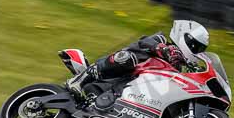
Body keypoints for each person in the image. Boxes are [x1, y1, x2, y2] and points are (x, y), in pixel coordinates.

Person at [66, 20, 210, 99]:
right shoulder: (162, 40)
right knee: (127, 58)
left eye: (199, 50)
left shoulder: (177, 69)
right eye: (195, 47)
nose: (195, 51)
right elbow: (144, 42)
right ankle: (80, 79)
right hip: (114, 74)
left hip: (127, 92)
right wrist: (162, 48)